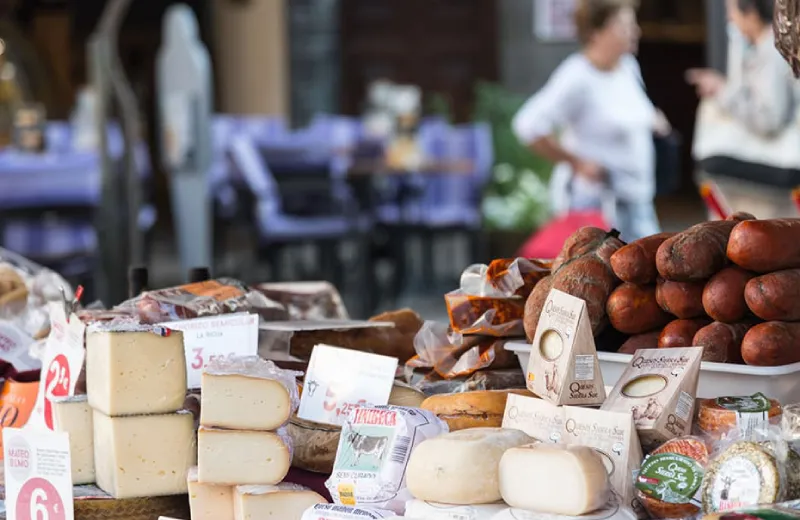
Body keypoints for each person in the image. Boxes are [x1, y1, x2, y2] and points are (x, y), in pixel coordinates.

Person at [512, 0, 668, 242]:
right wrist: (577, 163)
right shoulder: (577, 76)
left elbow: (629, 111)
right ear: (596, 33)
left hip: (638, 199)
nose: (635, 31)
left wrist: (652, 118)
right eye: (624, 26)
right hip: (599, 207)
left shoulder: (627, 66)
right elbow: (528, 125)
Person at [687, 0, 795, 138]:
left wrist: (722, 91)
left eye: (732, 11)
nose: (729, 18)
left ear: (751, 15)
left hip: (777, 150)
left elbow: (768, 120)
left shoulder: (773, 51)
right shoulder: (756, 48)